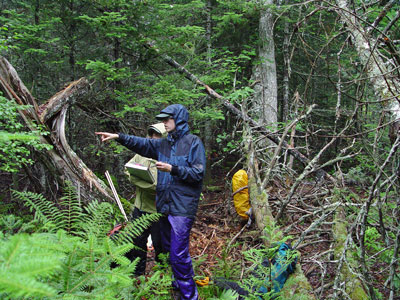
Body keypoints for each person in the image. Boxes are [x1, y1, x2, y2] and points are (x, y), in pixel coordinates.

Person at [96, 104, 206, 300]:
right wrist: (119, 137)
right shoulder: (163, 144)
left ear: (178, 119)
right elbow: (141, 144)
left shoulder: (193, 142)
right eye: (162, 119)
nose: (164, 122)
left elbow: (198, 174)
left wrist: (173, 169)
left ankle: (190, 296)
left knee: (179, 253)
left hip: (182, 208)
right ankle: (176, 286)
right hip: (164, 206)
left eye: (167, 119)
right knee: (169, 251)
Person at [125, 123, 166, 276]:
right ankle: (137, 274)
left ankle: (162, 278)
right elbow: (127, 168)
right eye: (152, 135)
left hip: (157, 211)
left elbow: (157, 186)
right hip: (139, 208)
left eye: (158, 135)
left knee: (160, 246)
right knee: (137, 243)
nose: (154, 138)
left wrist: (136, 180)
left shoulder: (168, 158)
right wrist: (141, 180)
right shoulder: (142, 153)